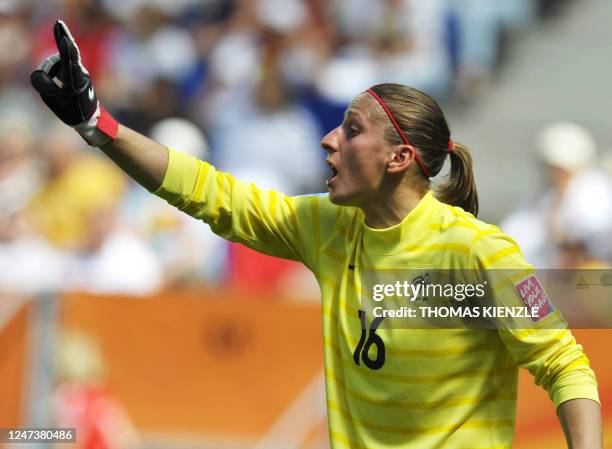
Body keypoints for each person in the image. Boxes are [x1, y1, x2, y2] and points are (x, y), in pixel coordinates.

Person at [31, 20, 601, 449]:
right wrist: (97, 124)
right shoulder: (324, 225)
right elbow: (205, 191)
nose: (328, 140)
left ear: (400, 157)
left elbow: (566, 367)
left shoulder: (478, 253)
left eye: (351, 130)